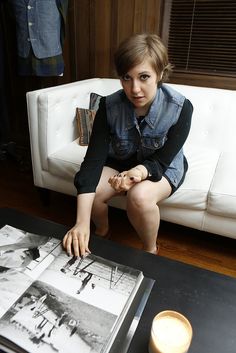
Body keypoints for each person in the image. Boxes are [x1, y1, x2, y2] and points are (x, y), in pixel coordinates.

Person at [63, 33, 193, 257]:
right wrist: (81, 223)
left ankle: (150, 250)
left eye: (144, 77)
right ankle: (102, 232)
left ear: (160, 74)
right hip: (122, 161)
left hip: (163, 166)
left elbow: (162, 160)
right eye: (126, 77)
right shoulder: (108, 106)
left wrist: (137, 174)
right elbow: (93, 161)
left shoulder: (181, 108)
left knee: (139, 197)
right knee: (91, 191)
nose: (134, 89)